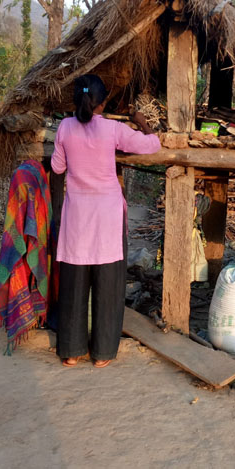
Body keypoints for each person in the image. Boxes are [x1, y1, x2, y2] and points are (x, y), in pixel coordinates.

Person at [51, 74, 160, 368]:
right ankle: (102, 353)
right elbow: (153, 145)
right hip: (107, 218)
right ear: (102, 103)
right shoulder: (113, 129)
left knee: (74, 284)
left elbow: (58, 167)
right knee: (108, 285)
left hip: (77, 217)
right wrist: (141, 122)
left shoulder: (64, 127)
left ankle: (71, 351)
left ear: (77, 100)